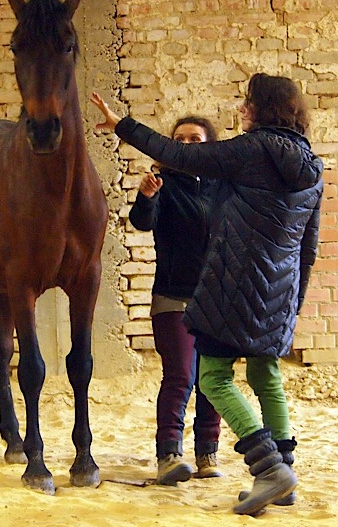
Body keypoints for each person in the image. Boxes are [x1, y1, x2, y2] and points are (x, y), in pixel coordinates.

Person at [90, 74, 323, 515]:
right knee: (265, 376)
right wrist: (294, 304)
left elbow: (177, 154)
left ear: (264, 108)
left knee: (213, 377)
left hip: (232, 285)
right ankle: (286, 477)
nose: (242, 109)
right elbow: (308, 247)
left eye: (248, 102)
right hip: (280, 291)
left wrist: (122, 124)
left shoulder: (252, 149)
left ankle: (270, 468)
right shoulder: (312, 165)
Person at [128, 116, 224, 486]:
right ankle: (169, 454)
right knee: (181, 375)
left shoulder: (223, 186)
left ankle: (207, 453)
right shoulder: (164, 184)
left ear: (209, 143)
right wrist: (147, 197)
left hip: (216, 301)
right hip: (173, 297)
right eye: (180, 139)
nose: (187, 144)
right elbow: (142, 221)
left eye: (195, 138)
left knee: (212, 380)